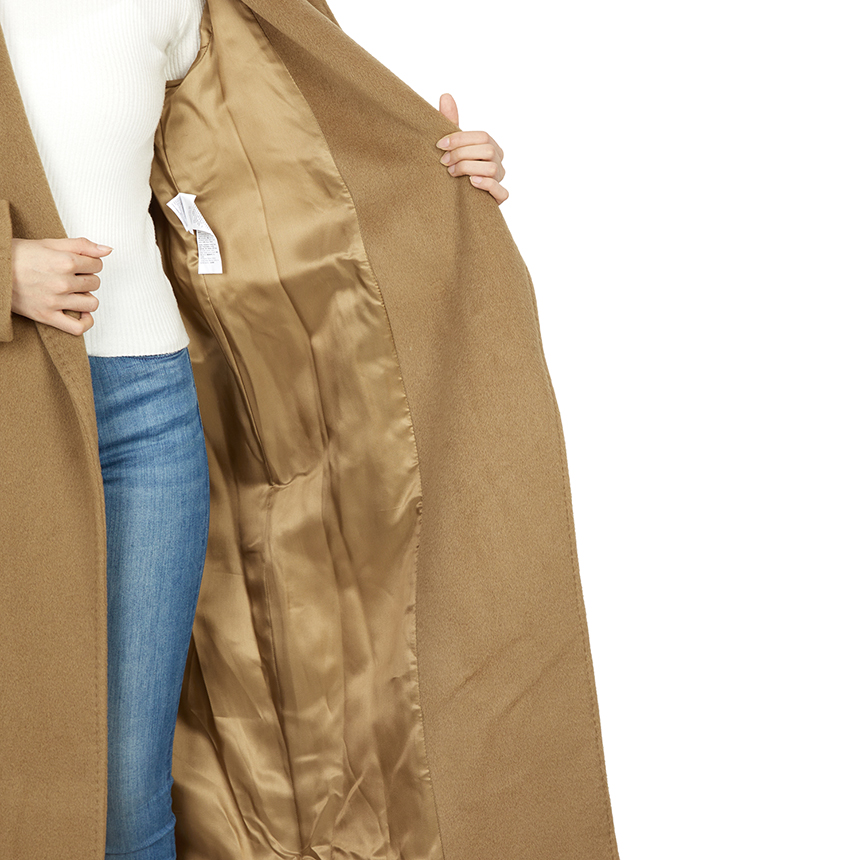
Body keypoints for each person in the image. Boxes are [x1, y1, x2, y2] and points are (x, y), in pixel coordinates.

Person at [0, 1, 508, 858]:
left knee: (128, 792)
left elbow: (279, 168)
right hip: (16, 417)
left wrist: (428, 170)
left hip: (146, 416)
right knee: (27, 778)